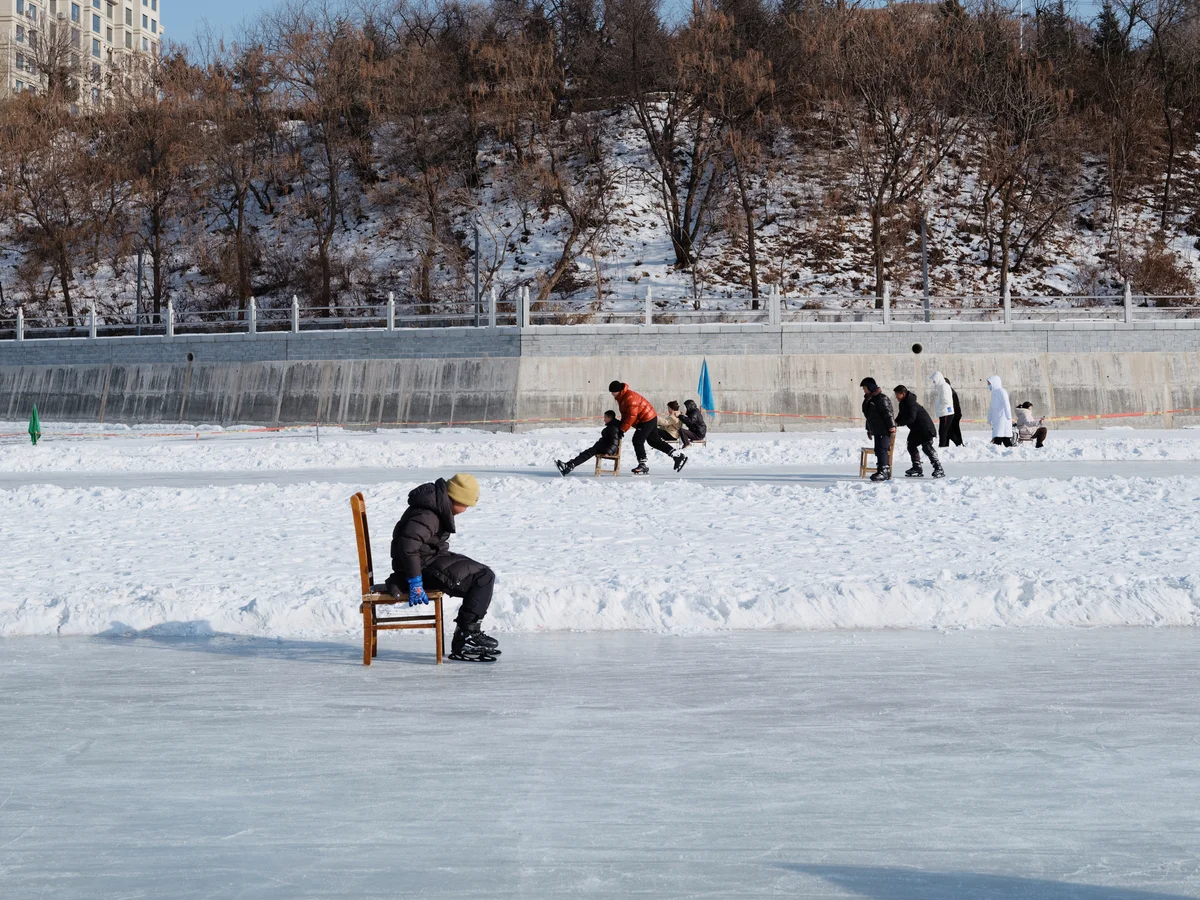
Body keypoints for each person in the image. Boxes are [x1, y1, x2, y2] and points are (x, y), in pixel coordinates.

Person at [386, 473, 500, 662]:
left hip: (427, 560)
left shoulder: (434, 506)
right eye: (466, 505)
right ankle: (466, 636)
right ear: (456, 498)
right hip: (420, 568)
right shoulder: (428, 514)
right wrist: (415, 581)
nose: (465, 510)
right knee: (482, 578)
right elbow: (408, 546)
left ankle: (467, 633)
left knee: (482, 573)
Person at [609, 380, 688, 475]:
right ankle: (677, 455)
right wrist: (622, 425)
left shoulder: (630, 397)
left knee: (637, 440)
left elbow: (631, 416)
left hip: (646, 419)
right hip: (649, 418)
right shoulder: (621, 398)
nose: (612, 394)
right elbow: (625, 414)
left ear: (618, 390)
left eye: (613, 392)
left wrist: (623, 429)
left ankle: (642, 464)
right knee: (654, 441)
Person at [894, 385, 945, 478]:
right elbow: (900, 416)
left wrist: (898, 424)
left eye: (897, 395)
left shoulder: (911, 403)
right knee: (911, 445)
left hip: (926, 429)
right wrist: (894, 423)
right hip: (916, 430)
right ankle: (917, 467)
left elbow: (911, 419)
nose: (896, 397)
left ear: (903, 394)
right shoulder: (903, 403)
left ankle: (939, 468)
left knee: (927, 447)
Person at [556, 411, 623, 475]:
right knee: (586, 453)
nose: (604, 419)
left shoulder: (613, 428)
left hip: (605, 449)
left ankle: (570, 466)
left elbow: (615, 442)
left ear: (610, 418)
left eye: (605, 418)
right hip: (602, 447)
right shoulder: (612, 426)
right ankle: (568, 465)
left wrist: (608, 452)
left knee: (587, 453)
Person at [860, 377, 896, 482]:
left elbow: (887, 413)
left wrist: (891, 426)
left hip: (884, 429)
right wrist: (869, 429)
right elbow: (869, 417)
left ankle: (883, 471)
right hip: (877, 429)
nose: (864, 390)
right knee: (878, 450)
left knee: (882, 450)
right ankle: (883, 470)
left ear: (870, 387)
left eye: (865, 387)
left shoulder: (881, 398)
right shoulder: (870, 399)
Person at [930, 371, 956, 447]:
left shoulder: (944, 386)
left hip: (946, 412)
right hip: (944, 412)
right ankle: (956, 444)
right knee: (947, 431)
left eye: (934, 380)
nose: (933, 382)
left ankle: (942, 446)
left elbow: (946, 401)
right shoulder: (941, 386)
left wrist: (940, 408)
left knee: (943, 431)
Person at [987, 375, 1014, 447]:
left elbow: (1006, 404)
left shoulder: (1002, 391)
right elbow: (992, 408)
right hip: (997, 420)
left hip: (1003, 419)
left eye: (989, 383)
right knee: (1000, 438)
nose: (989, 385)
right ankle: (1003, 453)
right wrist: (989, 418)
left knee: (1002, 438)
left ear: (994, 382)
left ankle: (1007, 453)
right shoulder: (993, 393)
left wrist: (1009, 416)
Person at [942, 376, 964, 448]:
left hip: (953, 415)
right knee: (954, 430)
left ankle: (959, 444)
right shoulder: (950, 391)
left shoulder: (949, 392)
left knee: (949, 430)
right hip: (955, 414)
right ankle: (957, 444)